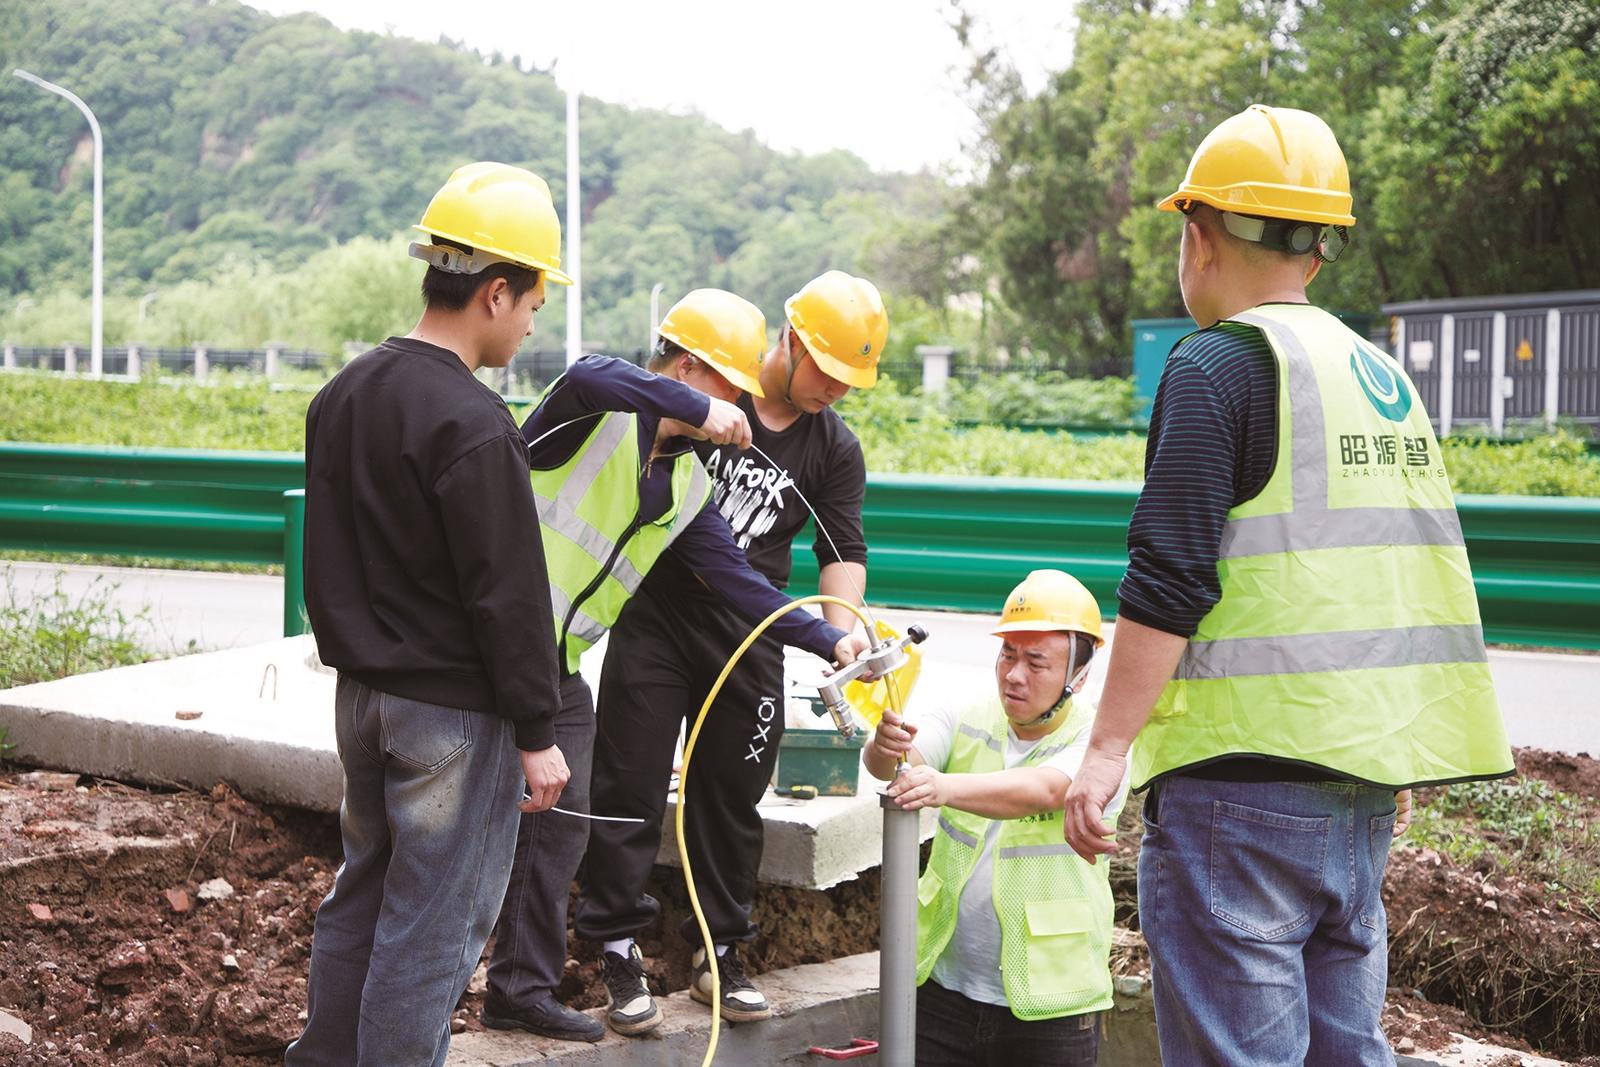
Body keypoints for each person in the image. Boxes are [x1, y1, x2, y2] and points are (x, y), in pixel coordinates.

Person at [1061, 105, 1514, 1066]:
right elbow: (1397, 576)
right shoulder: (1379, 377)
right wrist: (1390, 751)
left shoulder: (1219, 364)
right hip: (1361, 794)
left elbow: (1169, 575)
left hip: (1237, 798)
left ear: (1200, 235)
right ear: (1317, 249)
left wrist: (1103, 752)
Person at [481, 287, 872, 1042]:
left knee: (579, 820)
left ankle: (531, 986)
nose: (740, 405)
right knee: (560, 805)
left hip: (556, 664)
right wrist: (697, 408)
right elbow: (588, 371)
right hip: (496, 643)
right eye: (729, 388)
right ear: (689, 368)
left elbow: (738, 581)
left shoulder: (689, 483)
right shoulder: (597, 412)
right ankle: (597, 953)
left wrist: (832, 639)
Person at [286, 161, 572, 1066]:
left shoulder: (342, 394)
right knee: (432, 929)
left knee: (362, 894)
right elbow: (508, 595)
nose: (532, 325)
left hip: (363, 703)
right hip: (452, 718)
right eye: (533, 304)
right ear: (495, 291)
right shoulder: (478, 425)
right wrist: (538, 730)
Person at [864, 569, 1123, 1067]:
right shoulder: (965, 711)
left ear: (1079, 675)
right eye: (1008, 655)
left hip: (1053, 1009)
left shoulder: (1101, 744)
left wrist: (943, 787)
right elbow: (897, 764)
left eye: (1036, 662)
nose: (1014, 675)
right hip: (942, 989)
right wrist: (884, 746)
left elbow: (1045, 789)